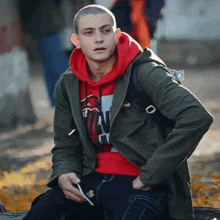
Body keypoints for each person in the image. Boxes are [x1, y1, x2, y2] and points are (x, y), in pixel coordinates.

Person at [23, 4, 213, 220]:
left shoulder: (145, 72)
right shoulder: (68, 84)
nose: (98, 39)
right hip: (89, 182)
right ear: (76, 41)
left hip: (139, 183)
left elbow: (196, 116)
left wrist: (152, 174)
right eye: (88, 32)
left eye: (105, 31)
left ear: (116, 35)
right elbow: (66, 144)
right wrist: (64, 173)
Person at [19, 0, 69, 107]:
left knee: (55, 66)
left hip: (43, 25)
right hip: (49, 22)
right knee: (54, 66)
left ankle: (62, 103)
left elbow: (27, 6)